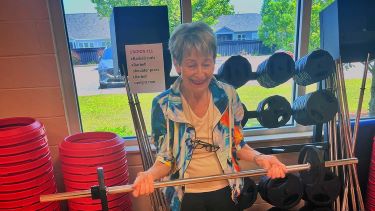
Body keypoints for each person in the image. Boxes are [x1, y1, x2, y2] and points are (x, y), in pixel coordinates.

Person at [132, 22, 287, 211]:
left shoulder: (228, 95)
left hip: (225, 189)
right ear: (177, 64)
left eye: (206, 64)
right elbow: (165, 159)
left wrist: (261, 158)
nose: (200, 73)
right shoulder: (162, 105)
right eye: (191, 65)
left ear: (214, 61)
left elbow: (237, 145)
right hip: (185, 195)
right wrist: (149, 174)